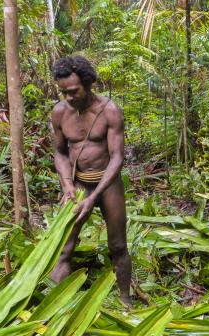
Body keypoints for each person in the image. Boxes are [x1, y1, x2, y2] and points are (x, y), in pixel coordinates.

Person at [50, 55, 132, 306]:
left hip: (108, 184)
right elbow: (60, 152)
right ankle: (54, 303)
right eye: (63, 92)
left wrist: (94, 197)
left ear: (88, 84)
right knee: (64, 246)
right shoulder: (60, 112)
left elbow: (117, 157)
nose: (69, 97)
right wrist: (67, 185)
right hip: (78, 184)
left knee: (118, 246)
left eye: (73, 91)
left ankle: (125, 300)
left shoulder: (110, 111)